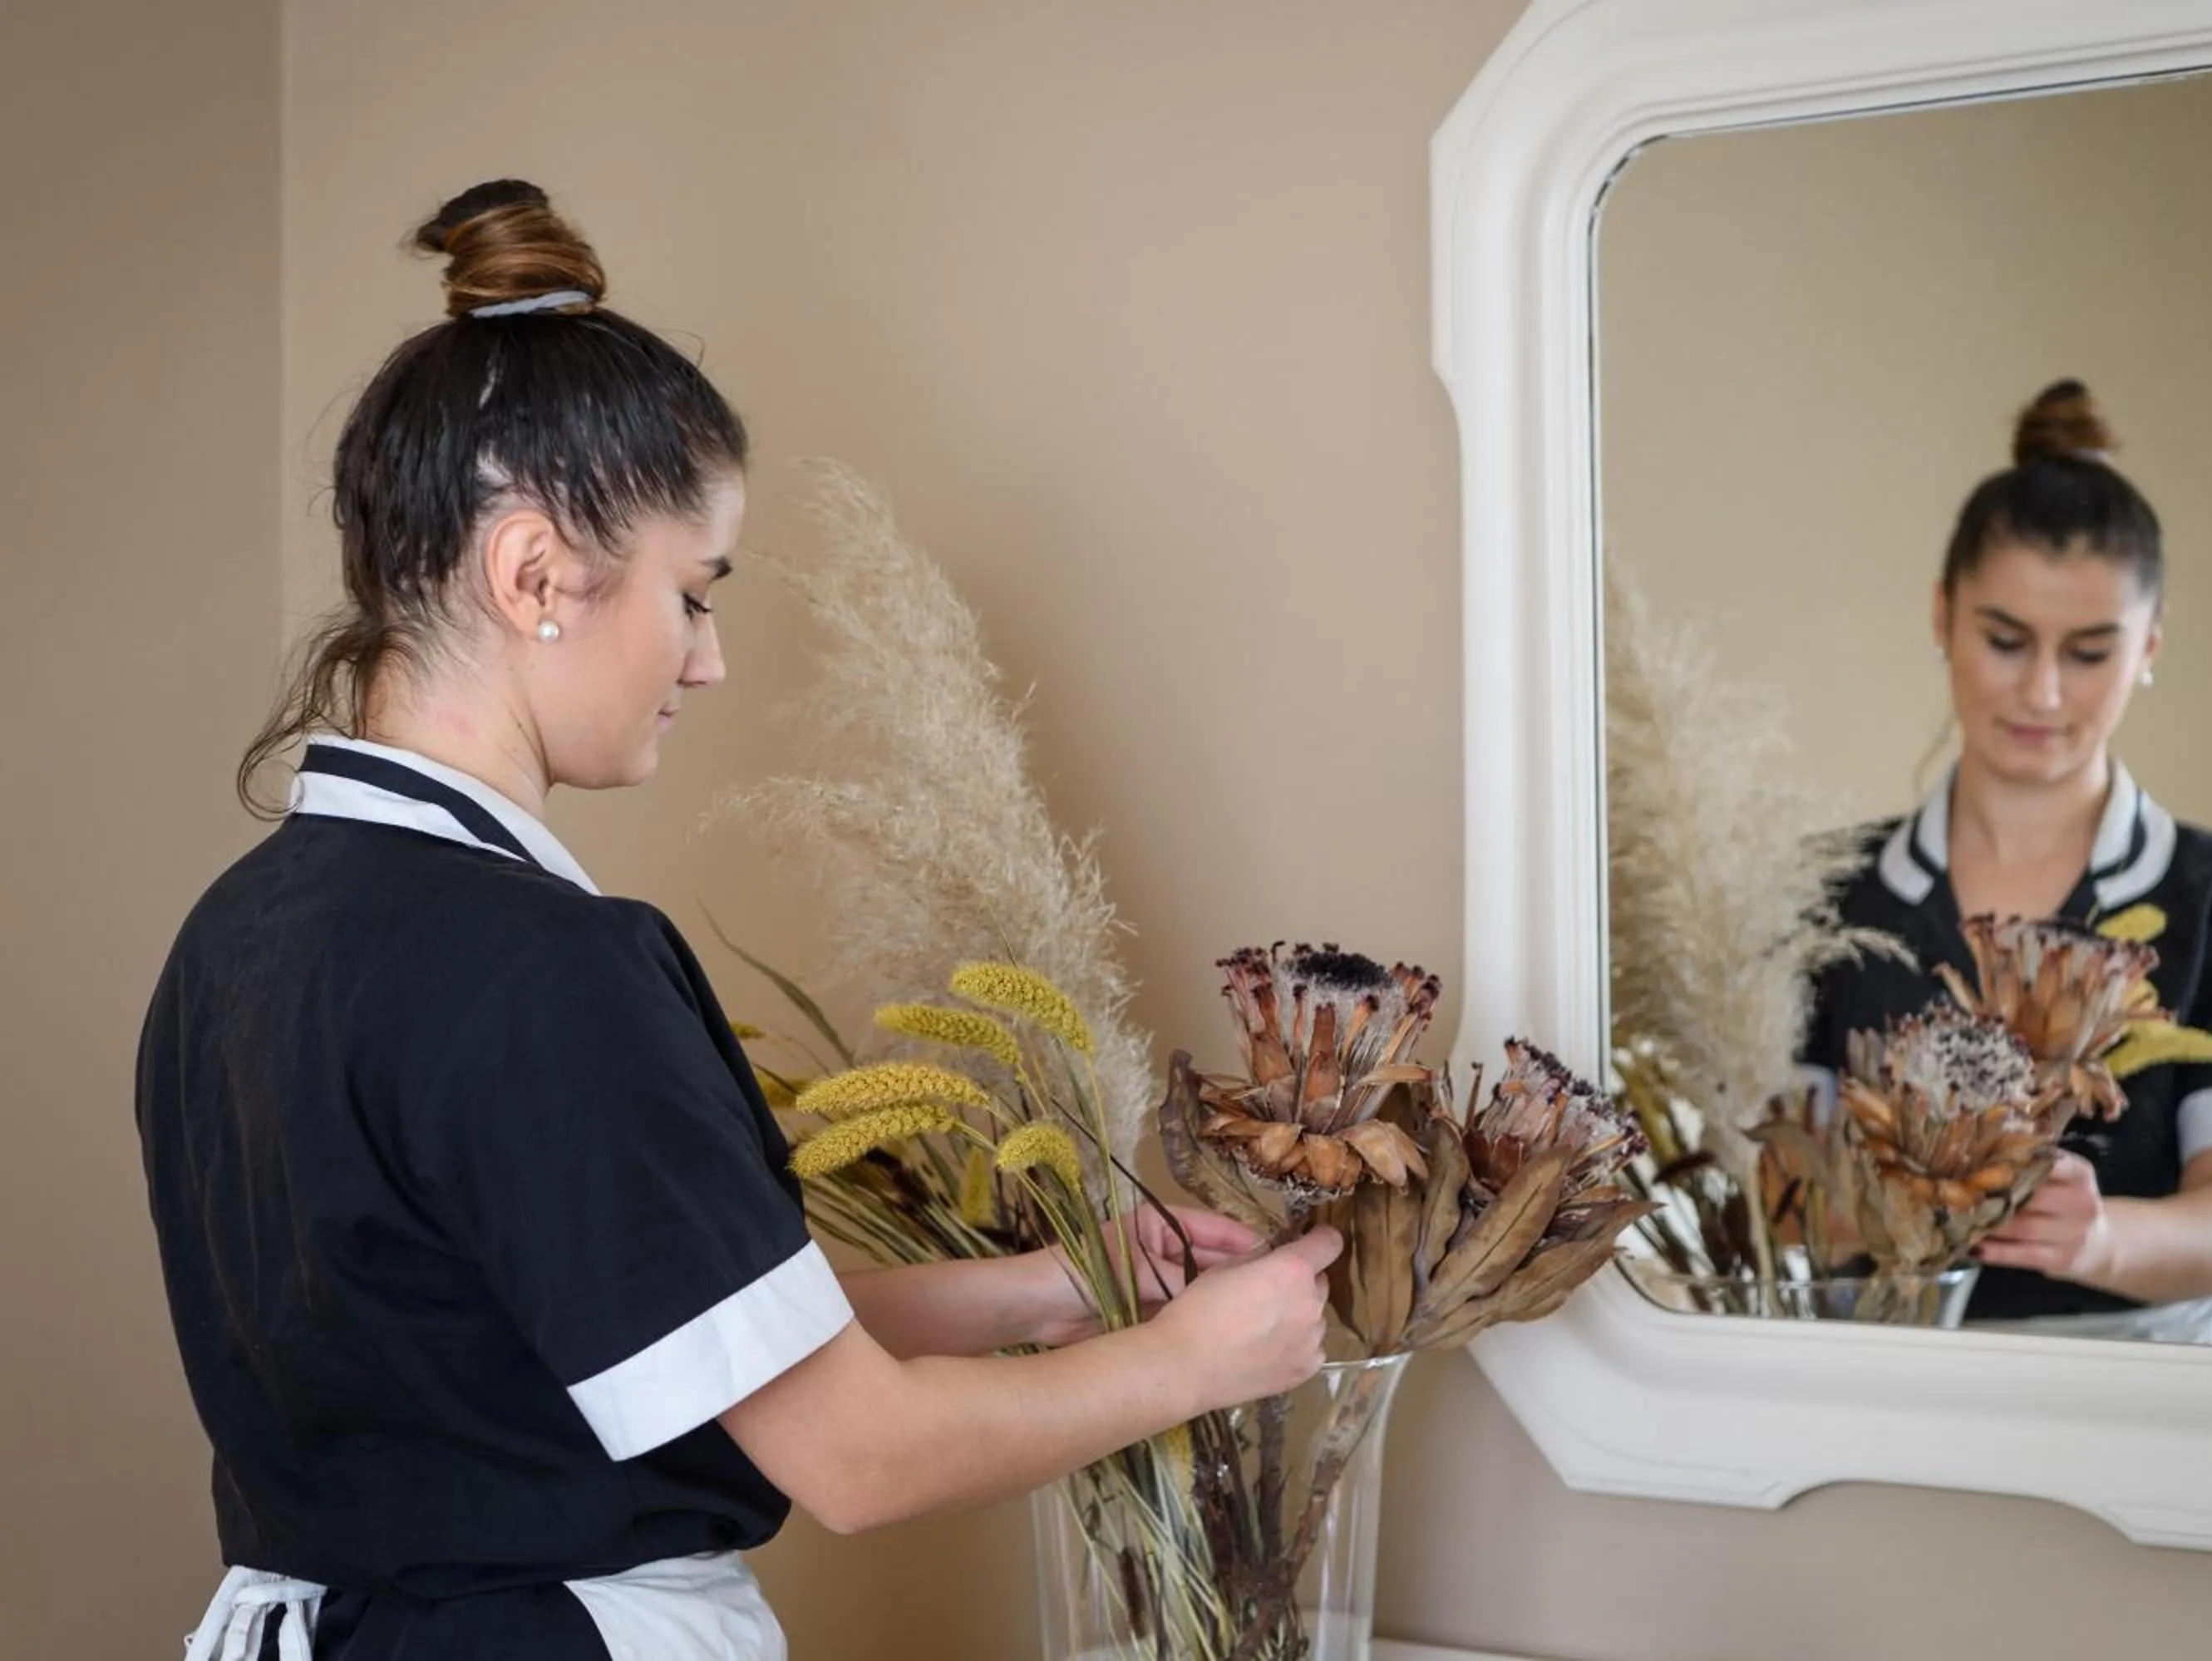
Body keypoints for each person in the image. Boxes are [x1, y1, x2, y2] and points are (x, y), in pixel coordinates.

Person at [135, 180, 1340, 1661]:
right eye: (696, 593)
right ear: (535, 575)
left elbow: (632, 1296)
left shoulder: (231, 941)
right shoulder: (541, 966)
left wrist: (1049, 1282)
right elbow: (859, 1453)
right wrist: (1194, 1364)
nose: (707, 660)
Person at [1800, 380, 2212, 1347]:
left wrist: (2101, 1240)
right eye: (2004, 640)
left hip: (2153, 1384)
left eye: (2090, 651)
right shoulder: (1823, 892)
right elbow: (1776, 1194)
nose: (2043, 691)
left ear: (2151, 644)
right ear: (1942, 615)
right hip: (1882, 1374)